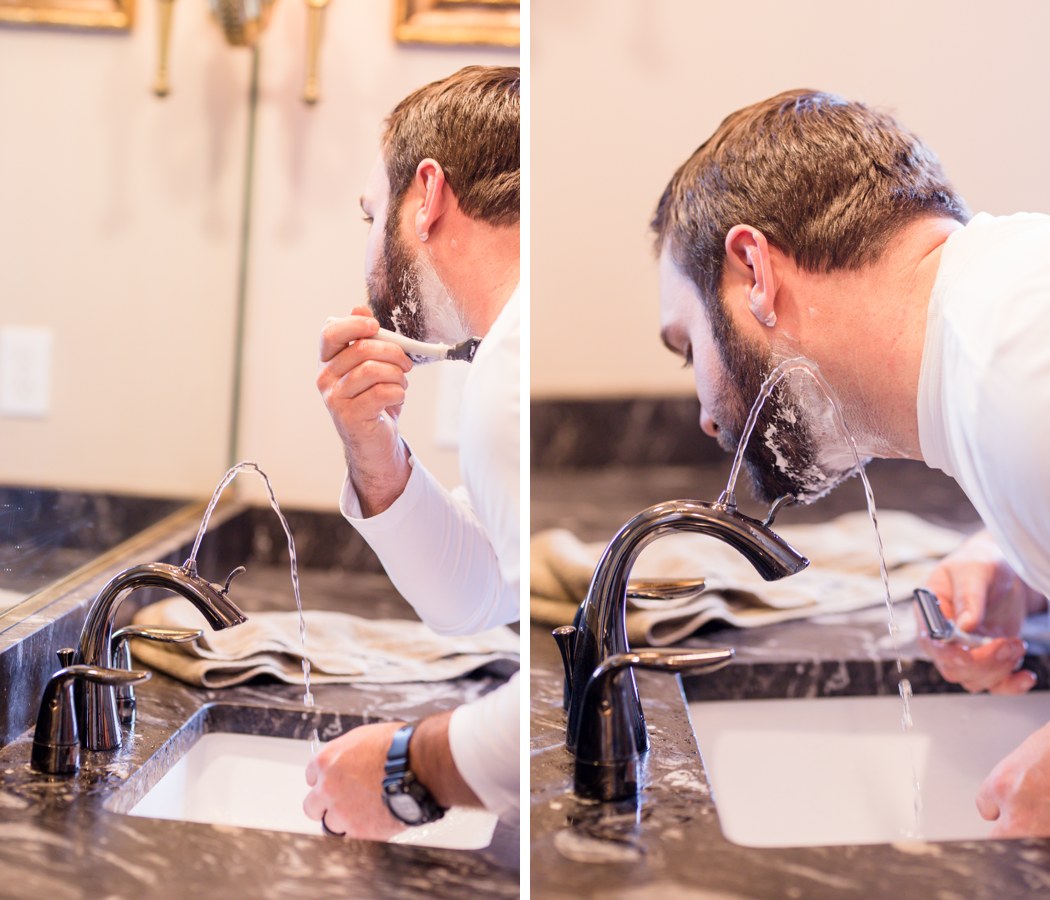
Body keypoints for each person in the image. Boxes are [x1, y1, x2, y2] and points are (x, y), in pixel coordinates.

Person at [651, 89, 1050, 838]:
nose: (705, 415)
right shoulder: (996, 340)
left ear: (754, 270)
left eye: (688, 346)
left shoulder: (1016, 369)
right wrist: (1018, 562)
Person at [304, 65, 520, 840]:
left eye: (373, 214)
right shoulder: (503, 356)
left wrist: (406, 769)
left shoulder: (510, 370)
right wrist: (375, 449)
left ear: (426, 196)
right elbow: (478, 596)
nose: (369, 249)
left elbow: (553, 702)